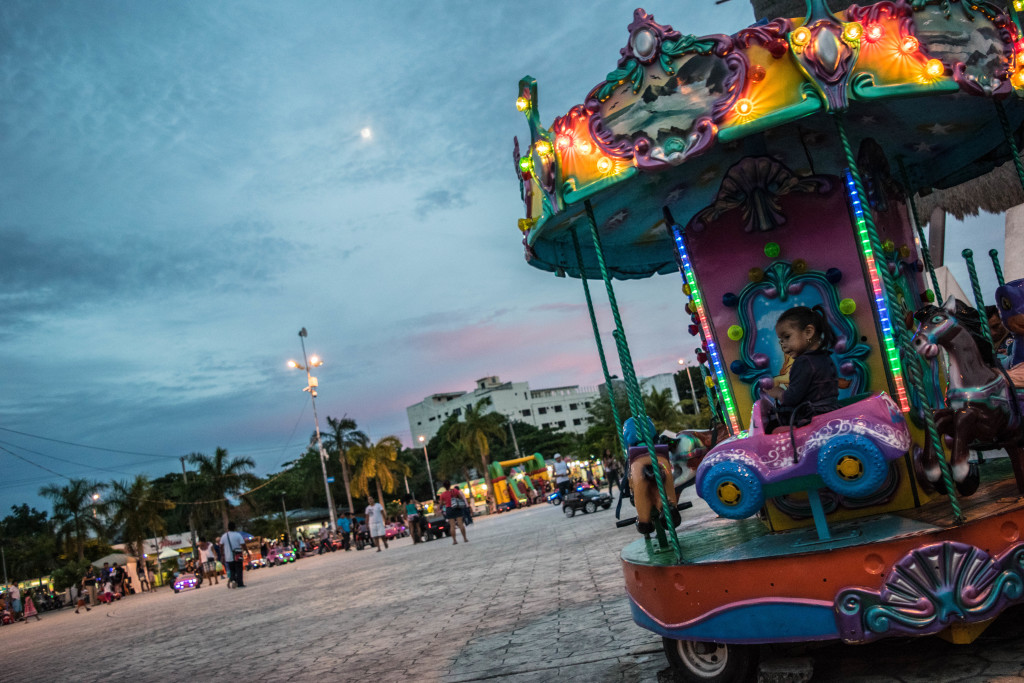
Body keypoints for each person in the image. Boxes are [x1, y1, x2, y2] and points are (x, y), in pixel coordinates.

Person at [764, 305, 840, 428]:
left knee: (773, 431)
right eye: (781, 340)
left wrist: (779, 393)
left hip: (812, 418)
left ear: (808, 332)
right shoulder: (825, 357)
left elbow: (791, 398)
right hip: (830, 412)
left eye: (787, 337)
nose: (783, 345)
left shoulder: (803, 362)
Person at [439, 481, 469, 545]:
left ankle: (454, 541)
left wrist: (446, 502)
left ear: (444, 487)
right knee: (460, 524)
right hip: (457, 508)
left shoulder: (442, 494)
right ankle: (465, 538)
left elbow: (441, 504)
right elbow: (461, 497)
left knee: (452, 526)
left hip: (449, 509)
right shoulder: (455, 490)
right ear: (450, 485)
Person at [220, 522, 247, 589]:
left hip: (228, 556)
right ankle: (240, 583)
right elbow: (243, 544)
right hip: (238, 555)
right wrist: (247, 552)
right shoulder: (237, 535)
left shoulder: (224, 536)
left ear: (228, 528)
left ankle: (233, 580)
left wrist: (222, 554)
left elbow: (220, 546)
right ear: (234, 527)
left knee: (232, 570)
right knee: (239, 569)